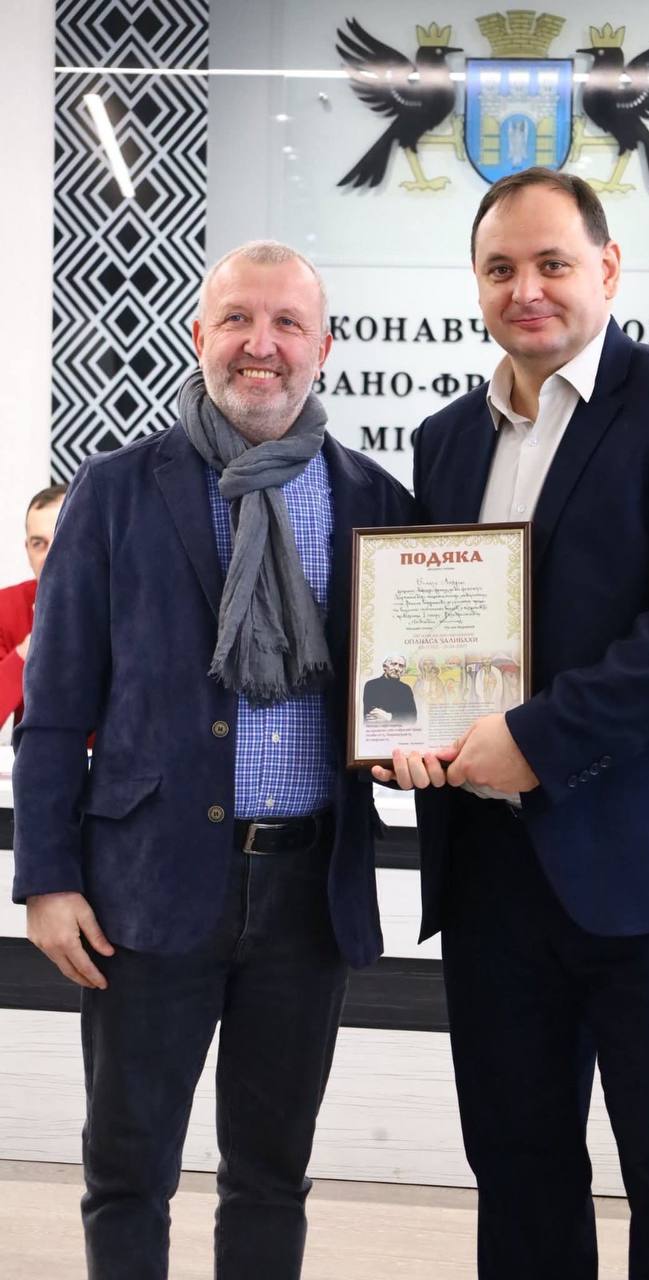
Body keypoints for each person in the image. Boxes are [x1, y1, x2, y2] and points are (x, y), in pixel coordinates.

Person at [375, 168, 649, 1279]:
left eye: (552, 262)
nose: (527, 288)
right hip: (493, 872)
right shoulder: (445, 437)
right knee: (516, 1166)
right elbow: (429, 629)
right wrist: (404, 724)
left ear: (606, 269)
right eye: (500, 267)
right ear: (474, 282)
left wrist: (537, 739)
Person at [13, 240, 414, 1280]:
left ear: (324, 346)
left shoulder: (375, 501)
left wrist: (418, 742)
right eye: (237, 318)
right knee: (128, 1171)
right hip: (144, 886)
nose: (260, 344)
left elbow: (399, 689)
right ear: (200, 336)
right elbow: (53, 708)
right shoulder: (116, 490)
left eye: (286, 322)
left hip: (306, 888)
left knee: (272, 1173)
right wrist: (46, 877)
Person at [0, 484, 66, 728]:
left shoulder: (129, 604)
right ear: (27, 549)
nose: (50, 556)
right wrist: (28, 650)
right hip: (35, 748)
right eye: (39, 543)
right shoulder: (6, 606)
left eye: (62, 540)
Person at [362, 653, 417, 724]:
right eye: (393, 664)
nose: (397, 668)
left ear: (403, 670)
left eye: (401, 666)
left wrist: (389, 717)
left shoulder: (406, 689)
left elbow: (412, 718)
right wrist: (400, 716)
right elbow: (371, 717)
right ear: (385, 667)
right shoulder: (371, 685)